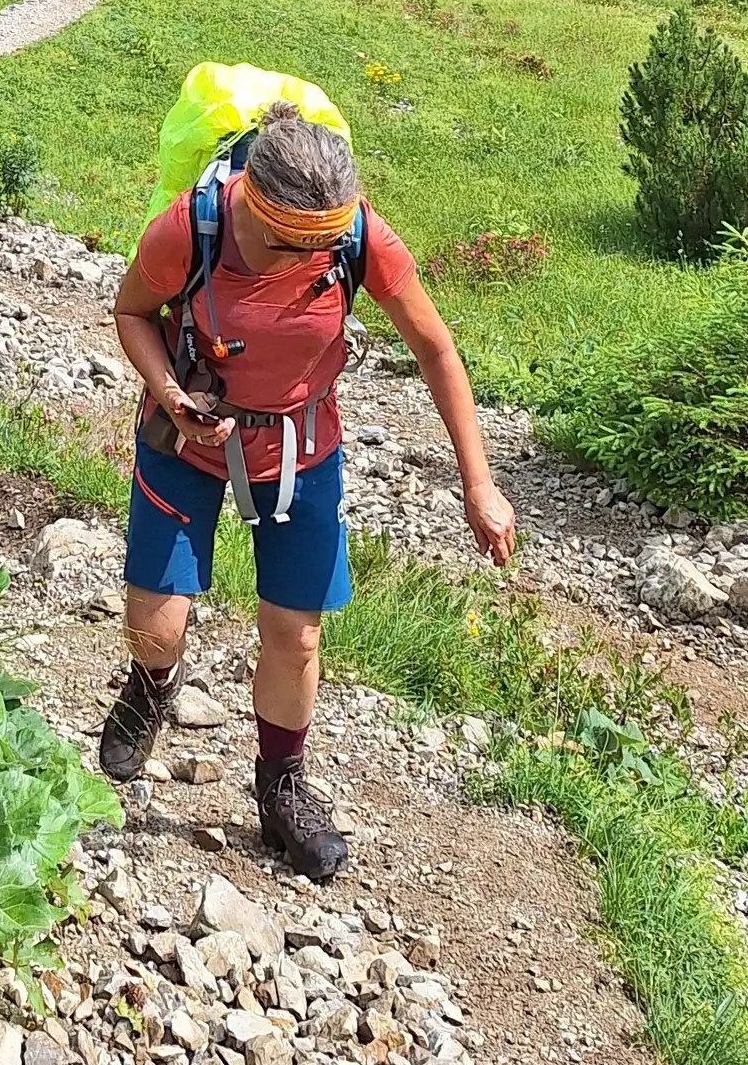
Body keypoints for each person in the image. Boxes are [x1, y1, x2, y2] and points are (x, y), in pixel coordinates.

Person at [100, 103, 516, 880]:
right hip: (184, 439)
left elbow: (435, 347)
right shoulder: (189, 227)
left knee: (296, 636)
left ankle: (281, 785)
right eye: (287, 245)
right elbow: (131, 312)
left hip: (299, 448)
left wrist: (479, 483)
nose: (305, 261)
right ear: (252, 206)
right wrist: (170, 393)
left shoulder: (358, 235)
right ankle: (153, 683)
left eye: (319, 248)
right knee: (157, 627)